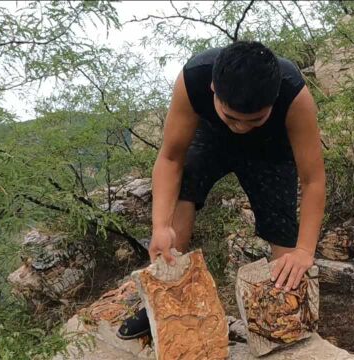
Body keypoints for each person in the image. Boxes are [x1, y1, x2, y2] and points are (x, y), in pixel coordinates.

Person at [117, 40, 325, 339]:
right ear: (214, 88)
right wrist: (160, 225)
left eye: (254, 119)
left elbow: (313, 179)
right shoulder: (195, 77)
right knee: (185, 185)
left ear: (274, 98)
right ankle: (164, 299)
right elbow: (171, 157)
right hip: (212, 138)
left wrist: (305, 251)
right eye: (232, 117)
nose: (241, 127)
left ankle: (289, 321)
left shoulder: (293, 93)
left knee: (283, 230)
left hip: (271, 149)